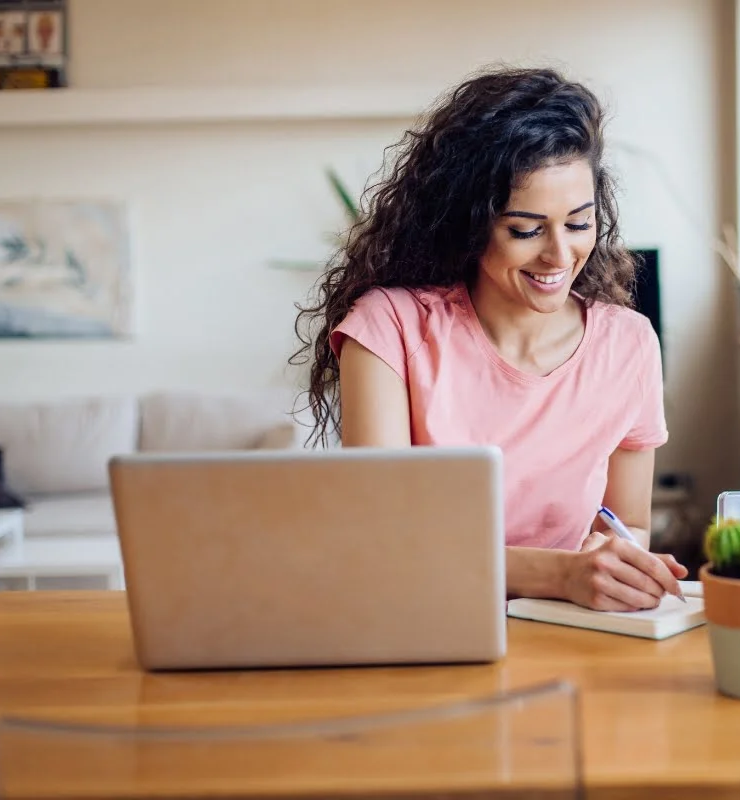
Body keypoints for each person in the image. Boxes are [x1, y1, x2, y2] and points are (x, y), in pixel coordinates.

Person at [291, 65, 686, 612]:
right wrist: (559, 573)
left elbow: (630, 523)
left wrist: (621, 566)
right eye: (524, 230)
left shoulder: (629, 343)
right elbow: (383, 542)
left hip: (573, 630)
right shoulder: (389, 329)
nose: (558, 255)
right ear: (469, 221)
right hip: (423, 619)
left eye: (578, 224)